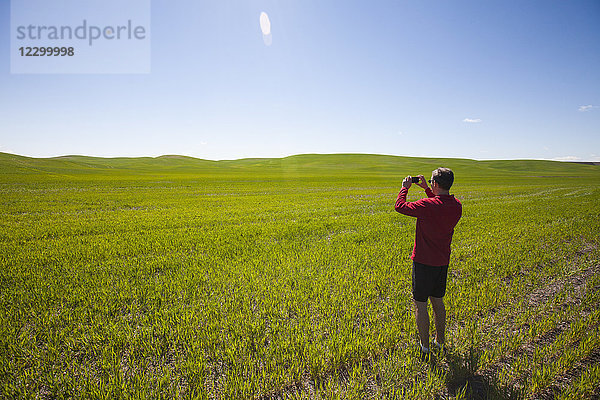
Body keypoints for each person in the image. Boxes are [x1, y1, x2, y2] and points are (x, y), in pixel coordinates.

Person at [394, 167, 462, 357]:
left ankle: (424, 347)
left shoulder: (428, 205)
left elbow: (400, 207)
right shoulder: (456, 205)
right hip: (442, 262)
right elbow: (439, 203)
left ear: (436, 184)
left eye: (432, 181)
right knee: (438, 302)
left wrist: (405, 188)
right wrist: (426, 189)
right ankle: (440, 342)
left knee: (420, 304)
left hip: (423, 262)